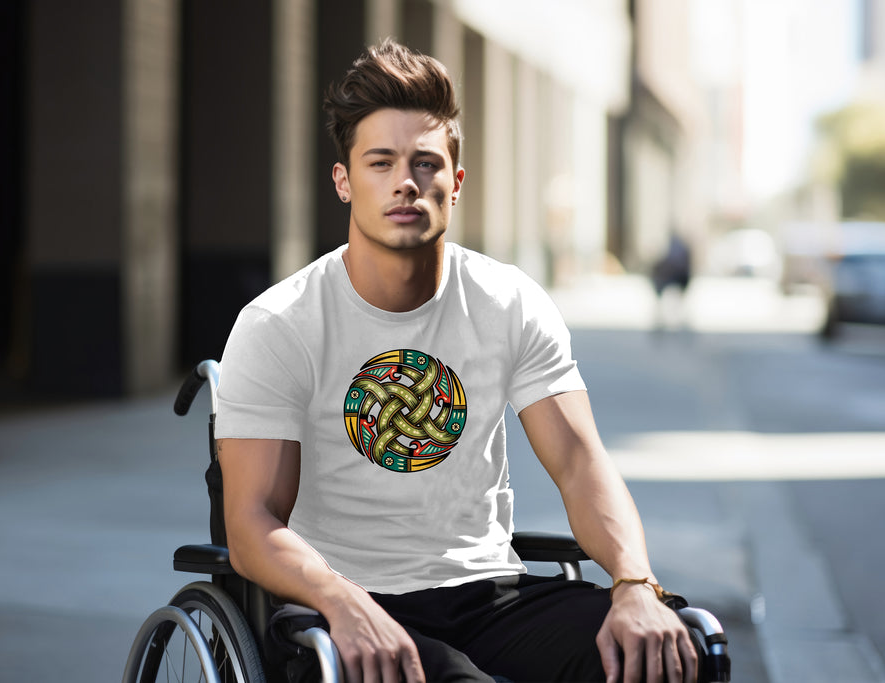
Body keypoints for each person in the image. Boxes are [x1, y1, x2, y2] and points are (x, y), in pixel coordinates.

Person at [215, 38, 698, 683]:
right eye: (380, 163)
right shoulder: (280, 324)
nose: (405, 183)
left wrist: (635, 584)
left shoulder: (509, 302)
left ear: (456, 182)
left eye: (425, 163)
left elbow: (581, 464)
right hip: (341, 603)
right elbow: (249, 524)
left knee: (672, 654)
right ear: (343, 181)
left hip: (488, 595)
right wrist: (341, 600)